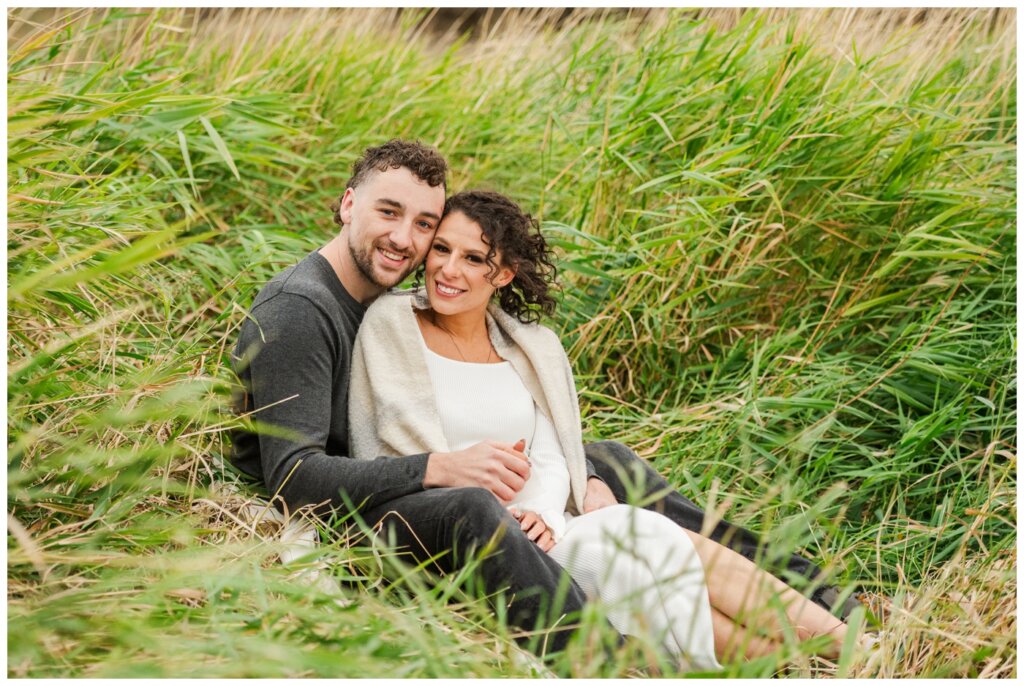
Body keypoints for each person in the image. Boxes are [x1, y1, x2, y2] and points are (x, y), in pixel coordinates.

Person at [230, 139, 857, 660]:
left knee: (605, 463)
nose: (407, 240)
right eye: (388, 213)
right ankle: (611, 659)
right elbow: (291, 477)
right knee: (480, 506)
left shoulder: (383, 294)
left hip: (422, 487)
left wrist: (563, 492)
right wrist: (438, 468)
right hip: (355, 517)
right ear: (346, 205)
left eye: (424, 224)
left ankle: (821, 603)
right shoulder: (302, 311)